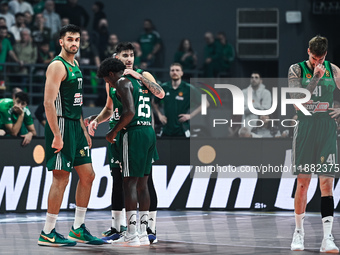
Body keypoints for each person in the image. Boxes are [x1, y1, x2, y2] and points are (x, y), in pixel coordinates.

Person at [86, 42, 164, 244]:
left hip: (133, 130)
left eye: (131, 55)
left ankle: (145, 230)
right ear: (117, 57)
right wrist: (96, 120)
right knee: (122, 181)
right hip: (128, 132)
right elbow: (109, 110)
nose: (129, 58)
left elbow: (160, 94)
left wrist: (140, 77)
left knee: (136, 182)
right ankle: (123, 228)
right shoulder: (113, 81)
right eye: (125, 55)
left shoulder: (139, 76)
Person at [37, 24, 104, 247]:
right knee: (61, 178)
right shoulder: (57, 66)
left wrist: (84, 130)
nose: (74, 43)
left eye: (77, 39)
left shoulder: (76, 65)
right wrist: (57, 134)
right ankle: (47, 232)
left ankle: (77, 228)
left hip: (75, 126)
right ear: (61, 42)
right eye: (70, 39)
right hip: (62, 126)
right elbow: (48, 103)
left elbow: (78, 102)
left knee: (88, 175)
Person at [289, 35, 340, 253]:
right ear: (308, 51)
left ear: (326, 55)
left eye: (321, 58)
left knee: (326, 185)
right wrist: (316, 78)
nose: (317, 61)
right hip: (306, 129)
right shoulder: (297, 70)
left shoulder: (334, 70)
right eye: (314, 57)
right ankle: (298, 232)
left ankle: (327, 238)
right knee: (303, 184)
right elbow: (297, 98)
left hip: (327, 129)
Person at [152, 63, 203, 137]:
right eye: (172, 70)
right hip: (167, 128)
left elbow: (205, 103)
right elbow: (154, 102)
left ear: (182, 73)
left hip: (182, 129)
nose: (175, 72)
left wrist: (190, 115)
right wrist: (160, 115)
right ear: (169, 73)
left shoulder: (188, 88)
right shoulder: (164, 87)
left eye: (177, 70)